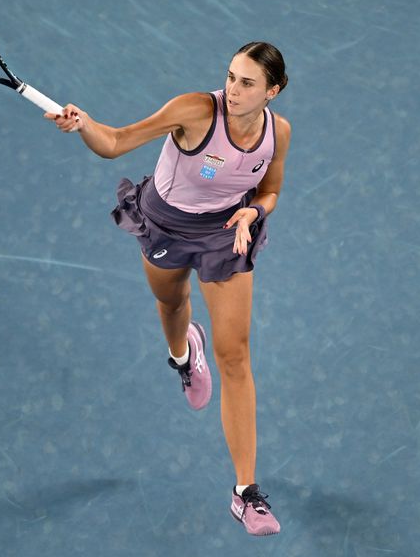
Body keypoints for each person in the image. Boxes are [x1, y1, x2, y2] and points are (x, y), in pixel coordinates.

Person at [45, 41, 291, 536]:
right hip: (163, 225)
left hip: (225, 235)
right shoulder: (195, 111)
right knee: (171, 301)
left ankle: (246, 494)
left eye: (247, 83)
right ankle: (183, 355)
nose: (233, 89)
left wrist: (254, 211)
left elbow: (271, 189)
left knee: (237, 357)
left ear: (273, 91)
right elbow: (115, 141)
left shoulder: (277, 133)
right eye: (230, 76)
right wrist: (85, 124)